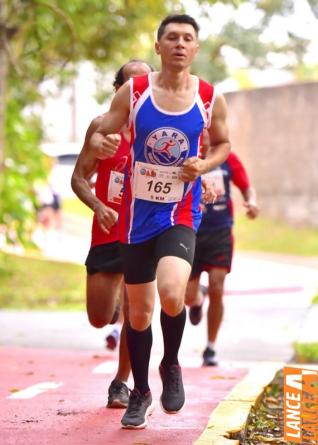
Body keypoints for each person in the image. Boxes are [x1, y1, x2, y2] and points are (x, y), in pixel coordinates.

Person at [89, 14, 231, 429]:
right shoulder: (133, 93)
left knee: (172, 294)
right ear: (158, 47)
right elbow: (100, 136)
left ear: (196, 48)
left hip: (180, 211)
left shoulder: (209, 97)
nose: (180, 44)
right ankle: (141, 391)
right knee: (137, 314)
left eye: (188, 38)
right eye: (172, 37)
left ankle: (170, 364)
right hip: (137, 215)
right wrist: (104, 141)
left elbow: (223, 143)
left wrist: (204, 163)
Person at [71, 60, 153, 408]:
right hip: (107, 231)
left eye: (143, 83)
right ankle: (117, 301)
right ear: (118, 89)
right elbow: (77, 179)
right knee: (99, 317)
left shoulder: (161, 127)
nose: (136, 91)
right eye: (129, 84)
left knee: (139, 311)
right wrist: (98, 205)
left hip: (145, 230)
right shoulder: (102, 127)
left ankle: (121, 382)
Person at [185, 135, 259, 366]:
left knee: (218, 285)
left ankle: (211, 347)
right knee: (187, 296)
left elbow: (247, 188)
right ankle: (198, 299)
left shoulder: (227, 158)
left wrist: (252, 202)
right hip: (191, 230)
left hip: (220, 232)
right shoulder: (189, 158)